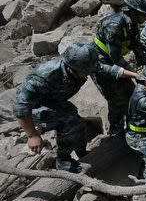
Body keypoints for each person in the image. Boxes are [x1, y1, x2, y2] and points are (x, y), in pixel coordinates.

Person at [11, 43, 137, 173]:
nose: (89, 74)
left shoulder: (84, 65)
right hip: (34, 107)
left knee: (78, 122)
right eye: (86, 72)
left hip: (53, 101)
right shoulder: (45, 76)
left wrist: (135, 75)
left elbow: (106, 69)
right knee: (69, 122)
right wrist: (32, 135)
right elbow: (20, 106)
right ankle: (63, 160)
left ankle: (81, 151)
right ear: (72, 68)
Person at [92, 0, 146, 136]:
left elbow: (136, 45)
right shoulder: (114, 26)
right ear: (132, 10)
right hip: (101, 65)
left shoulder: (132, 23)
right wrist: (137, 73)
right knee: (116, 100)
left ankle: (133, 125)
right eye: (144, 14)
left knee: (131, 93)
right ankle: (116, 131)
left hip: (115, 62)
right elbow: (116, 59)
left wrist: (145, 63)